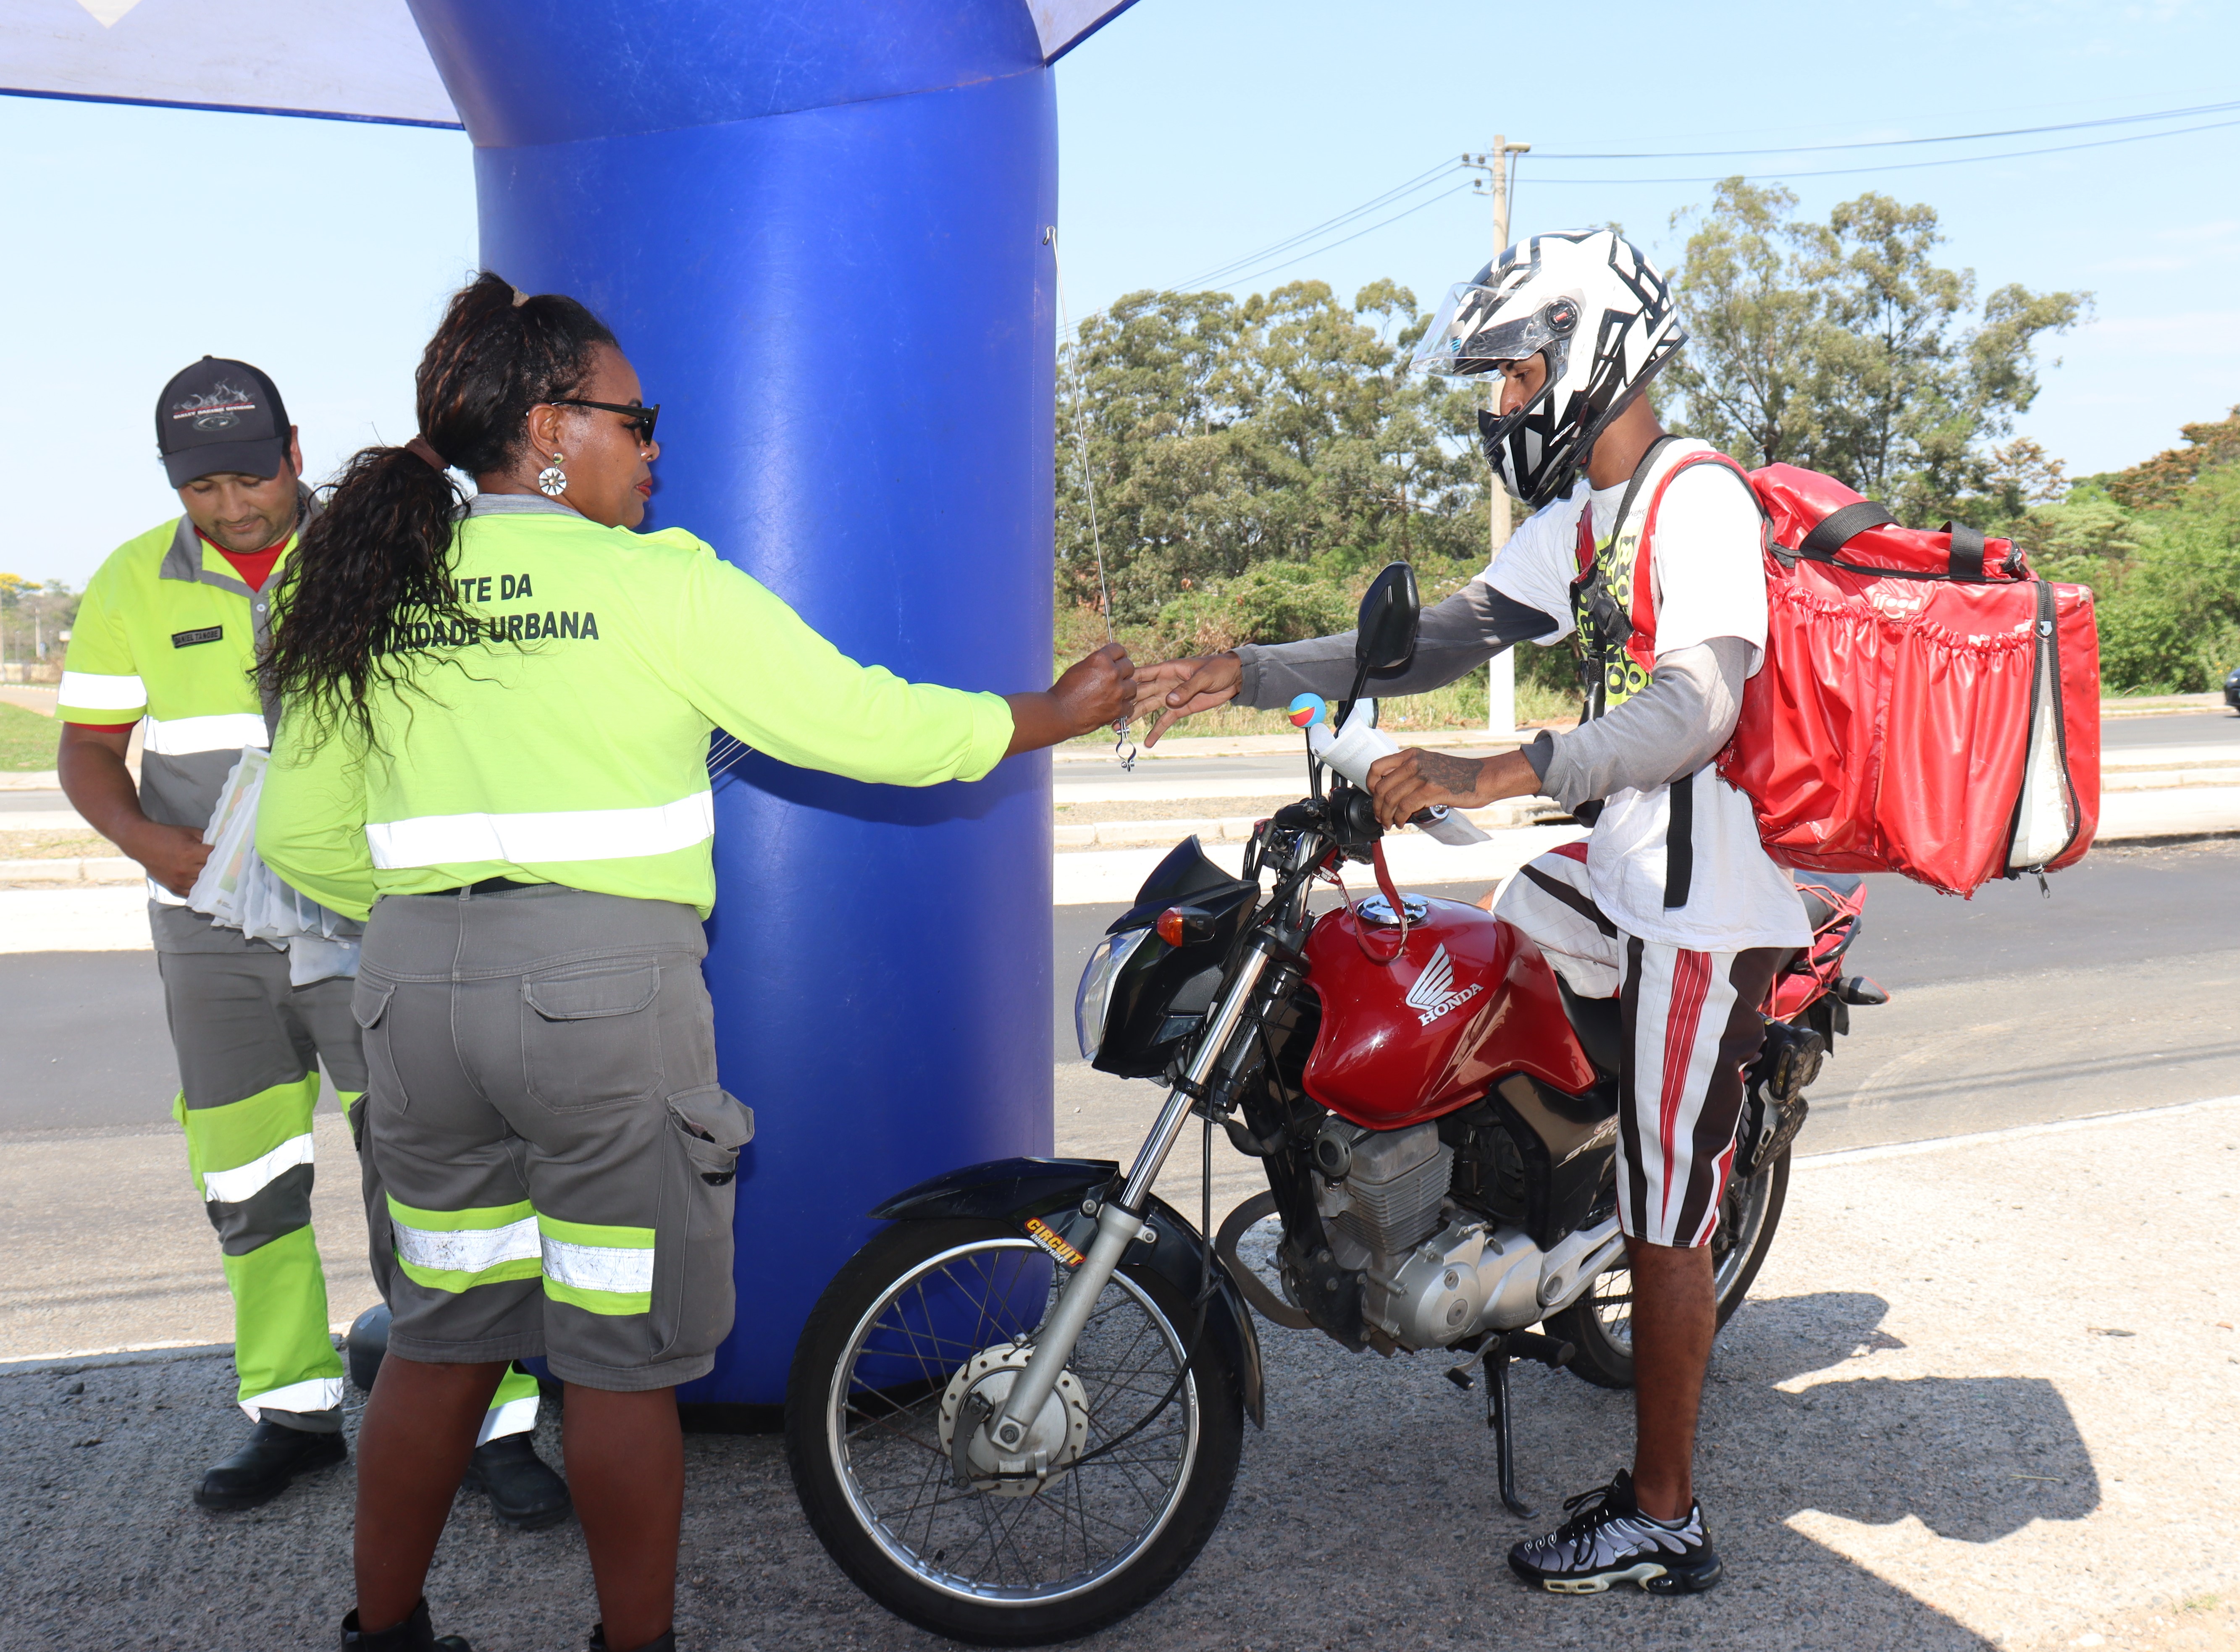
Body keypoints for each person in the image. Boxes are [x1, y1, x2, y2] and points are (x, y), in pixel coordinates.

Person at [255, 273, 1136, 1652]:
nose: (655, 444)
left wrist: (449, 910)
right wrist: (1057, 712)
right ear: (550, 427)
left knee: (440, 1337)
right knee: (618, 1358)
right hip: (606, 1001)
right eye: (635, 415)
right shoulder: (657, 585)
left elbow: (303, 834)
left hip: (411, 992)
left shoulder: (369, 577)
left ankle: (382, 1634)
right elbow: (869, 726)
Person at [1132, 229, 1810, 1597]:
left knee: (1671, 1208)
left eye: (1516, 375)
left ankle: (1664, 1514)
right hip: (1610, 872)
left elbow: (1700, 706)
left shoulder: (1698, 502)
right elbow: (1447, 632)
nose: (1503, 404)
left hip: (1704, 910)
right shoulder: (1590, 517)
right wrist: (1248, 670)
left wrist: (1498, 767)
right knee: (1469, 953)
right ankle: (1507, 1220)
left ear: (1591, 354)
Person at [55, 357, 563, 1523]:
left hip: (369, 917)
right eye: (203, 489)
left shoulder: (383, 551)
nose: (232, 507)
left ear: (296, 450)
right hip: (210, 935)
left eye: (250, 477)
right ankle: (288, 1411)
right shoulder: (132, 580)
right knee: (247, 1177)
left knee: (437, 1175)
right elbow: (88, 749)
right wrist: (147, 843)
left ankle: (496, 1421)